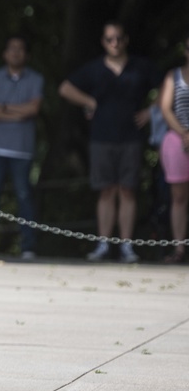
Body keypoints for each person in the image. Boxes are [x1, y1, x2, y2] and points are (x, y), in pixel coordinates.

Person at [59, 22, 162, 263]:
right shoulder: (94, 69)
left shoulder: (141, 66)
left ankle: (126, 246)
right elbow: (65, 88)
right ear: (103, 42)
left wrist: (151, 111)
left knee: (127, 190)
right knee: (106, 191)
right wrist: (90, 101)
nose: (114, 43)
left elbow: (168, 86)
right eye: (109, 39)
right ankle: (104, 244)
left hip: (131, 138)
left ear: (125, 40)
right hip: (101, 137)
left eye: (118, 38)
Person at [0, 36, 44, 260]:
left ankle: (28, 247)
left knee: (24, 196)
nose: (15, 53)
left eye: (20, 49)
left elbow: (33, 110)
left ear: (27, 55)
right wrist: (17, 112)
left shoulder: (36, 79)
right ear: (5, 53)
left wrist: (2, 108)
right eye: (11, 49)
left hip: (22, 149)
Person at [157, 36, 189, 263]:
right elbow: (165, 109)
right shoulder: (173, 76)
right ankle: (179, 248)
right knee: (179, 197)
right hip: (179, 140)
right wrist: (185, 133)